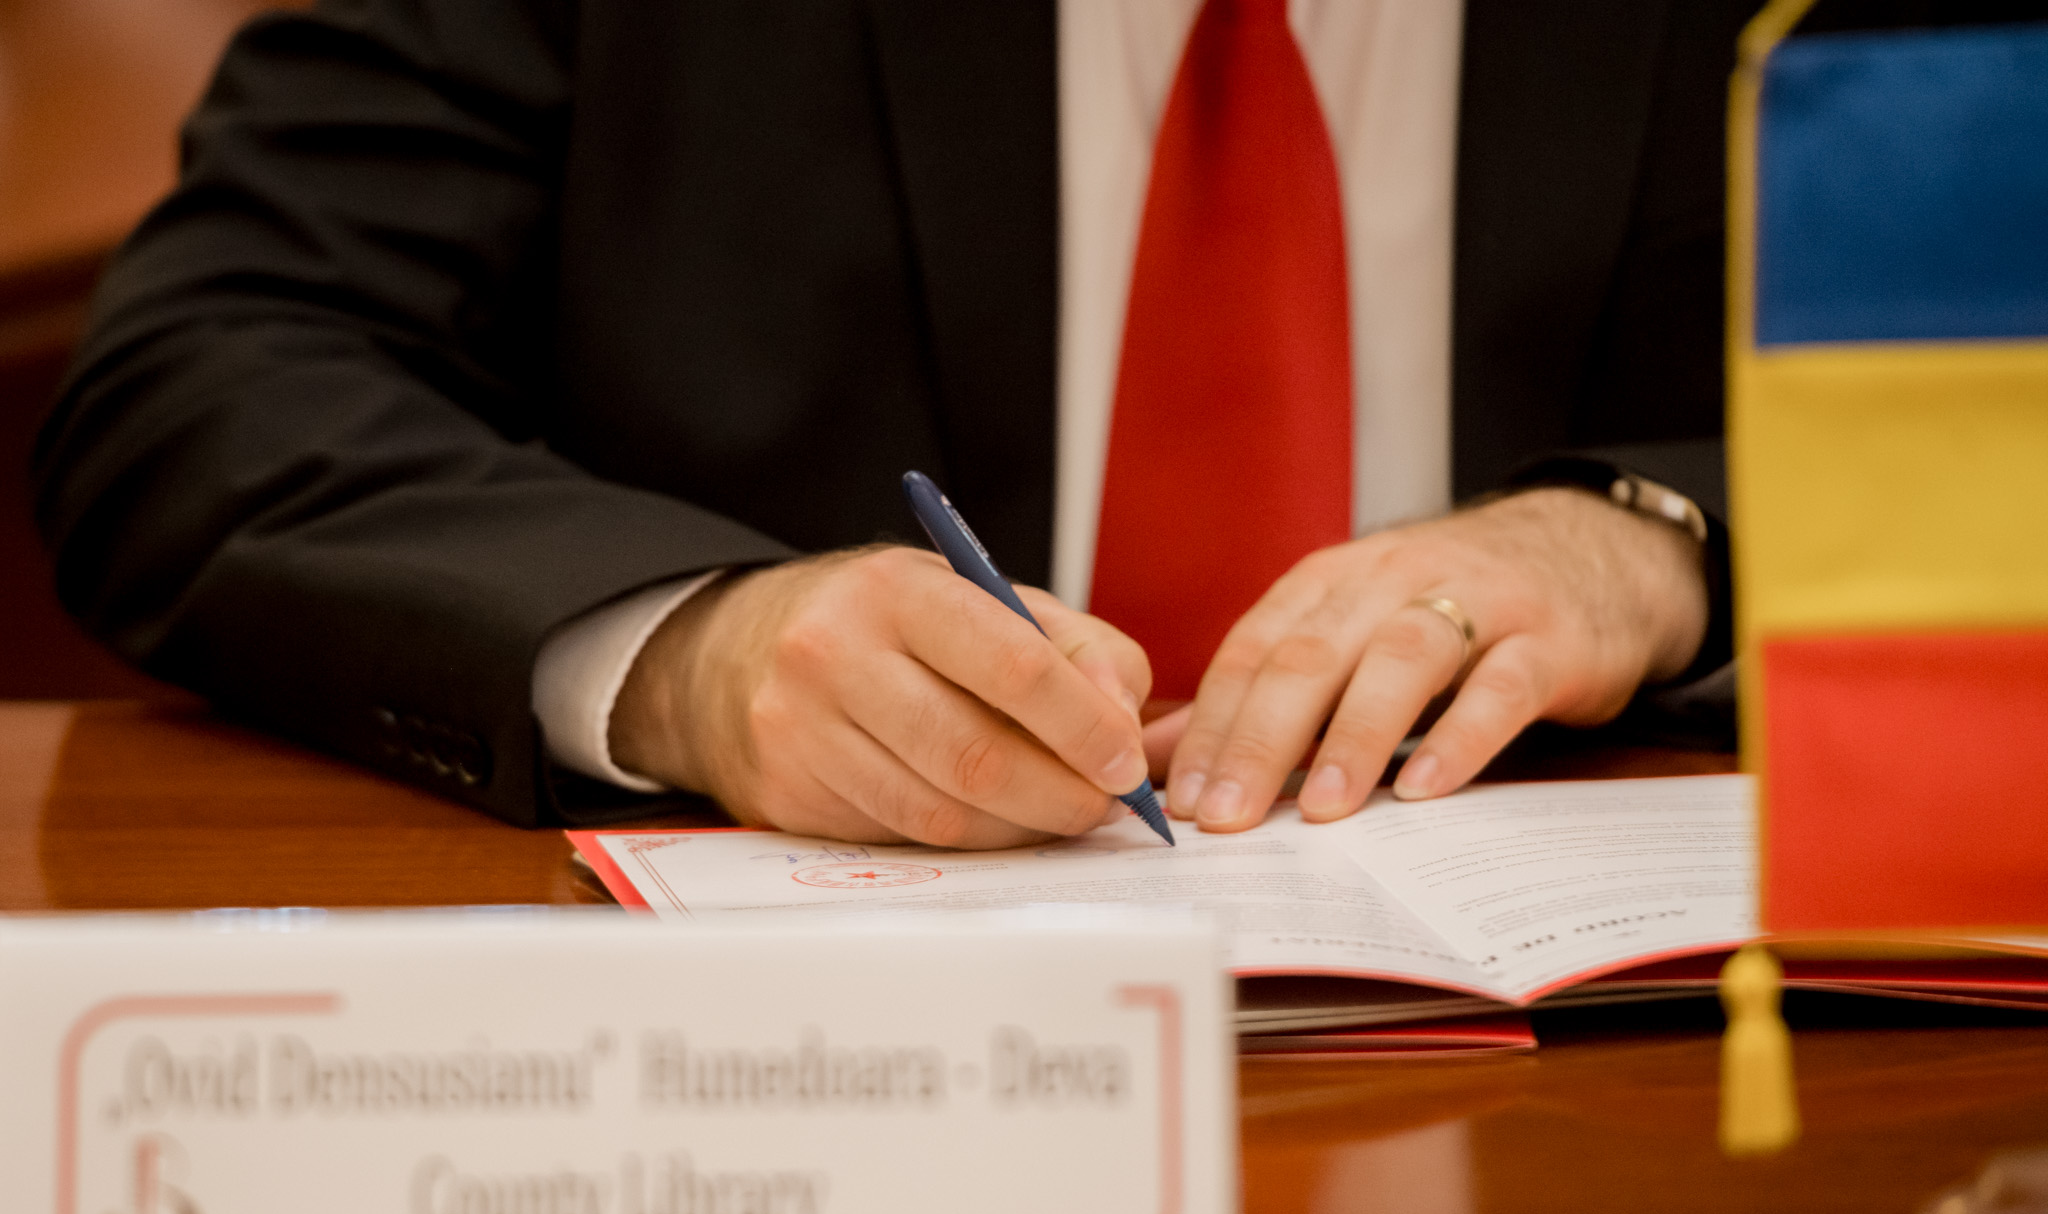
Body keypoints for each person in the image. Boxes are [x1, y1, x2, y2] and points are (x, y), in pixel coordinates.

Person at [35, 0, 1758, 846]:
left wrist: (1658, 543)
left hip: (1657, 1057)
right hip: (805, 1069)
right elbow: (203, 378)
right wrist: (690, 653)